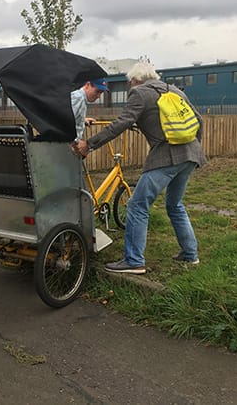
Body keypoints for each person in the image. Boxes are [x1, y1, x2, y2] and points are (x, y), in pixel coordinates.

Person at [74, 62, 206, 274]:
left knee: (136, 206)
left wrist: (89, 144)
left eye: (129, 83)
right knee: (175, 205)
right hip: (191, 154)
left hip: (167, 157)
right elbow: (199, 120)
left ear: (135, 80)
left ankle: (134, 260)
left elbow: (122, 122)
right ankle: (190, 254)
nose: (129, 87)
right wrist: (193, 150)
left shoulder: (140, 93)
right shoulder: (175, 90)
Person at [70, 78, 109, 143]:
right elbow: (64, 122)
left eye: (101, 93)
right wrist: (75, 143)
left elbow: (69, 116)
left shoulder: (80, 98)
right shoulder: (78, 98)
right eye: (97, 91)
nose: (99, 96)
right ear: (87, 85)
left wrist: (82, 120)